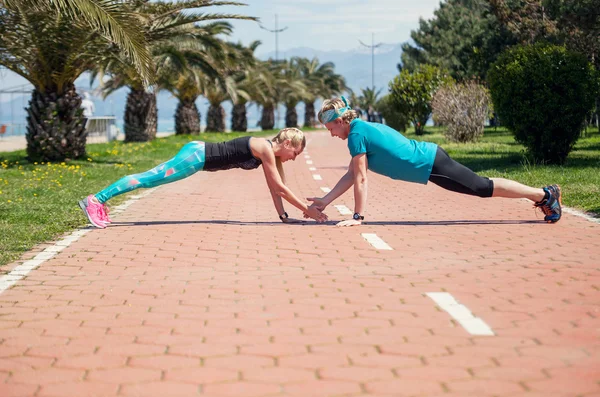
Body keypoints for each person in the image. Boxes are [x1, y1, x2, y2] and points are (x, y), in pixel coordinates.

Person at [307, 96, 562, 227]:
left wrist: (358, 217)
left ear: (341, 121)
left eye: (330, 128)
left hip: (430, 163)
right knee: (482, 188)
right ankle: (543, 194)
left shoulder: (356, 134)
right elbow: (353, 174)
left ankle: (544, 194)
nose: (331, 133)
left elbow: (361, 177)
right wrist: (325, 200)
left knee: (482, 187)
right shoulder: (359, 130)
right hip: (430, 165)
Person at [79, 128, 327, 228]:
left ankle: (99, 200)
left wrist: (284, 217)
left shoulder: (270, 155)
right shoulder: (264, 148)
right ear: (286, 143)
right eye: (295, 152)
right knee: (148, 178)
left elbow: (277, 189)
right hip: (196, 156)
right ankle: (96, 199)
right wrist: (308, 210)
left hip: (198, 155)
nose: (294, 157)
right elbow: (280, 189)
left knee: (149, 178)